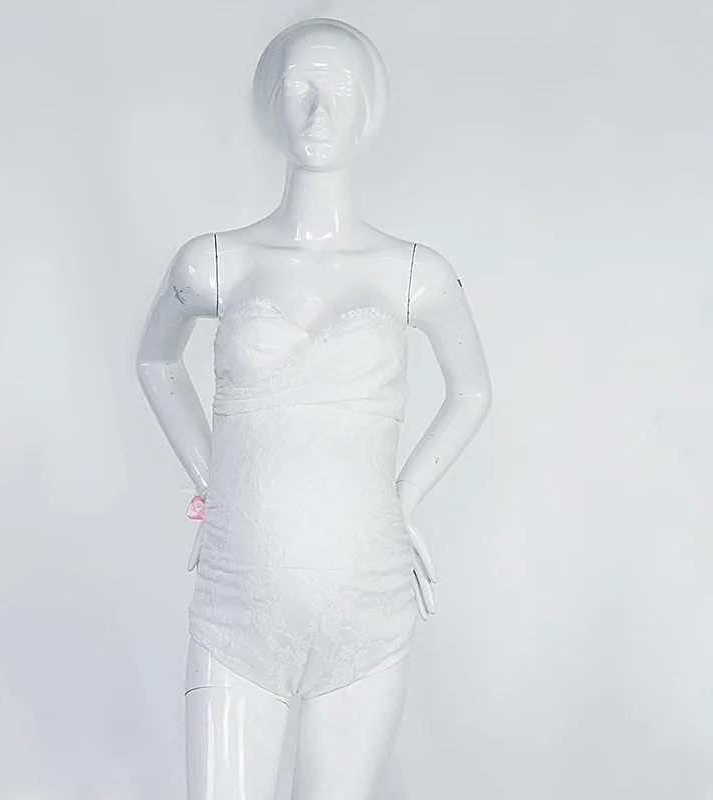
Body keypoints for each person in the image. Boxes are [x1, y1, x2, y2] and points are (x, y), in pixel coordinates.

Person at [136, 17, 492, 800]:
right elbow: (155, 360)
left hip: (367, 612)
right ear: (272, 102)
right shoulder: (216, 260)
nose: (318, 109)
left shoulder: (414, 273)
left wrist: (402, 500)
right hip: (237, 608)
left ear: (370, 109)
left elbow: (473, 391)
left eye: (338, 89)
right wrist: (216, 483)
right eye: (300, 87)